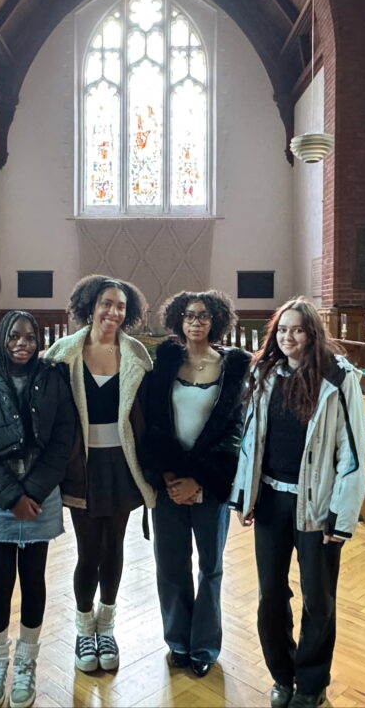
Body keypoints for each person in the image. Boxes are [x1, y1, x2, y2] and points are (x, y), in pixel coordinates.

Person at [230, 297, 365, 708]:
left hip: (317, 506)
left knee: (318, 597)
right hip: (271, 500)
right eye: (283, 330)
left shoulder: (338, 377)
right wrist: (246, 495)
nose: (289, 337)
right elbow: (251, 441)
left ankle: (311, 683)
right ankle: (282, 676)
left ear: (312, 334)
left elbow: (352, 451)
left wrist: (341, 517)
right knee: (270, 595)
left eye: (298, 330)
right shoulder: (264, 372)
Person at [0, 311, 76, 708]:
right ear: (2, 337)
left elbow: (64, 438)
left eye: (30, 336)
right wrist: (11, 496)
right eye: (14, 336)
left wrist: (35, 491)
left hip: (42, 496)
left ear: (39, 339)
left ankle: (26, 664)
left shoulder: (53, 378)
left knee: (34, 582)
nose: (22, 343)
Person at [42, 275, 154, 672]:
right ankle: (83, 626)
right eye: (107, 303)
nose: (113, 312)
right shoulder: (62, 353)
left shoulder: (137, 353)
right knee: (88, 551)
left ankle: (106, 627)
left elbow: (146, 415)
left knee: (115, 547)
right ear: (90, 306)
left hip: (122, 464)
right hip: (80, 465)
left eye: (121, 306)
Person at [139, 290, 249, 678]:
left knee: (211, 567)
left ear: (216, 320)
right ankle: (178, 642)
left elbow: (236, 431)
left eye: (203, 316)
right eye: (189, 316)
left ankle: (204, 645)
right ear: (178, 321)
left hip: (210, 485)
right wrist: (169, 476)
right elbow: (153, 423)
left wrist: (200, 481)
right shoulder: (165, 362)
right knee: (170, 566)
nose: (196, 322)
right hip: (169, 483)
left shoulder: (235, 367)